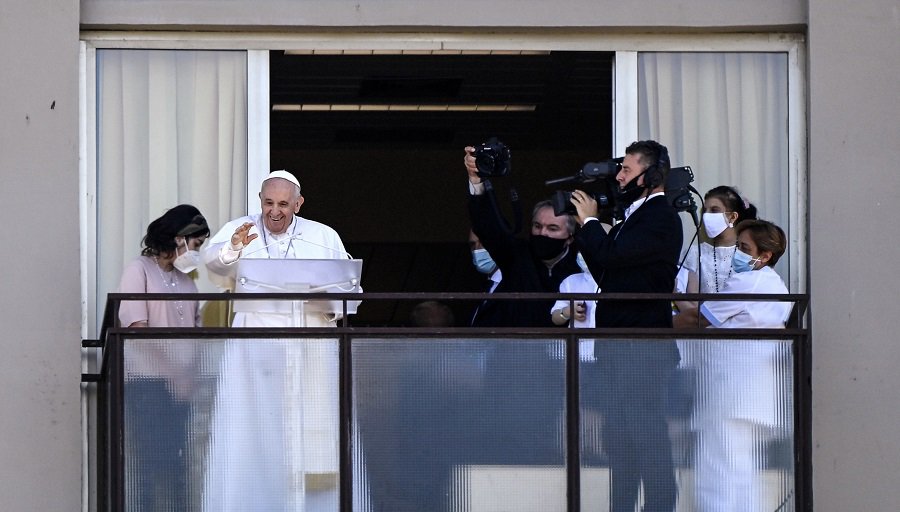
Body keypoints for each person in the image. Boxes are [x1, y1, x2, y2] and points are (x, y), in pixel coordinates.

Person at [201, 170, 358, 512]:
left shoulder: (323, 235)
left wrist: (326, 302)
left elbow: (350, 289)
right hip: (255, 349)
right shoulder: (241, 228)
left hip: (311, 346)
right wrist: (234, 247)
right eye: (268, 202)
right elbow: (212, 265)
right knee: (255, 430)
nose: (274, 211)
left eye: (283, 204)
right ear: (260, 200)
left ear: (298, 204)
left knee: (312, 432)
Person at [570, 140, 684, 512]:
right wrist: (592, 228)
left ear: (651, 176)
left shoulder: (660, 216)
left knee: (647, 437)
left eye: (627, 170)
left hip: (642, 345)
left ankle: (659, 506)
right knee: (619, 439)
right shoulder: (634, 217)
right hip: (620, 345)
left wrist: (588, 221)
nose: (619, 177)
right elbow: (606, 268)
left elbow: (612, 257)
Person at [463, 146, 582, 465]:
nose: (543, 234)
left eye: (553, 229)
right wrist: (477, 180)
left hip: (559, 377)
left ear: (569, 237)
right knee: (497, 451)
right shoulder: (519, 255)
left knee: (549, 455)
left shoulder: (580, 269)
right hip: (508, 372)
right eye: (538, 227)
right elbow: (489, 226)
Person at [679, 219, 793, 512]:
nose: (738, 254)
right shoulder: (775, 284)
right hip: (752, 395)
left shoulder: (748, 280)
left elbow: (701, 319)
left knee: (718, 472)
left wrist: (656, 322)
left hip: (730, 391)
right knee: (742, 475)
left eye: (744, 248)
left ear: (765, 256)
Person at [116, 204, 210, 511]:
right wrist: (174, 373)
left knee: (177, 466)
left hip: (181, 389)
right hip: (148, 385)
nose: (197, 251)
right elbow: (137, 329)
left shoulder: (188, 282)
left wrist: (190, 377)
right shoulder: (139, 269)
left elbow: (198, 338)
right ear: (179, 238)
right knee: (149, 463)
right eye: (196, 244)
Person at [673, 185, 758, 327]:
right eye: (704, 211)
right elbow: (691, 303)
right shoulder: (693, 253)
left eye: (714, 210)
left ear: (732, 216)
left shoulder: (747, 254)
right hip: (701, 332)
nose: (706, 216)